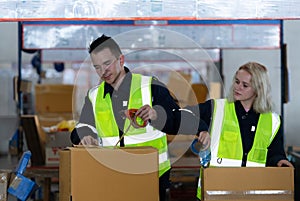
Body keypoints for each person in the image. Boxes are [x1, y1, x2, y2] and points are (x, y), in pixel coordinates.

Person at [70, 34, 206, 200]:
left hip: (152, 177)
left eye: (107, 63)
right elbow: (83, 126)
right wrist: (86, 135)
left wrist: (157, 115)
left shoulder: (150, 87)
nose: (103, 71)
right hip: (112, 177)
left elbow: (177, 120)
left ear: (121, 60)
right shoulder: (94, 96)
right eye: (97, 67)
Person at [185, 61, 294, 200]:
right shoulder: (216, 108)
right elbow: (185, 114)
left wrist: (280, 161)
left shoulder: (273, 121)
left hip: (251, 194)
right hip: (216, 192)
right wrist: (201, 129)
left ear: (258, 89)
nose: (238, 87)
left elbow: (274, 153)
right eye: (236, 82)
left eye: (245, 85)